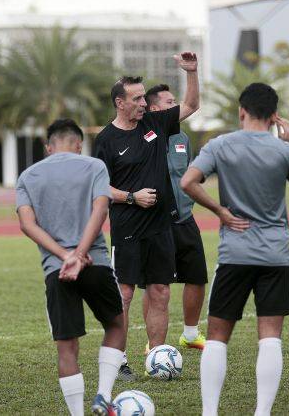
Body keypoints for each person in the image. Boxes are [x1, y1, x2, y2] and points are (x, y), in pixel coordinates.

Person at [181, 83, 289, 416]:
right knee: (270, 336)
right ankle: (262, 413)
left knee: (216, 335)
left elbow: (188, 182)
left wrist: (221, 212)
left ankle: (210, 412)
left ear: (242, 111)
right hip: (275, 255)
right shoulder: (285, 151)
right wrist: (287, 147)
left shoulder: (221, 145)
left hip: (234, 254)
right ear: (273, 116)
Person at [93, 52, 199, 380]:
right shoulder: (106, 140)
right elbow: (99, 186)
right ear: (119, 103)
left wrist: (192, 72)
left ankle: (157, 355)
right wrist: (130, 197)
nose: (143, 102)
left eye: (143, 97)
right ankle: (119, 359)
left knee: (161, 291)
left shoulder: (155, 123)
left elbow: (191, 106)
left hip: (160, 225)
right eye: (137, 98)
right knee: (124, 294)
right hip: (126, 227)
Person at [16, 119, 125, 416]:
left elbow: (27, 224)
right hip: (95, 261)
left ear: (48, 147)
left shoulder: (28, 175)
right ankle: (103, 394)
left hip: (57, 269)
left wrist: (65, 256)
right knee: (116, 325)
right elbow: (100, 210)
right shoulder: (94, 167)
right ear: (79, 144)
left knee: (66, 346)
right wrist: (79, 253)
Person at [142, 83, 207, 350]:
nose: (176, 106)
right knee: (156, 285)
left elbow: (188, 174)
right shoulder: (144, 137)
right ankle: (152, 342)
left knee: (197, 276)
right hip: (156, 222)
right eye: (170, 102)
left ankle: (190, 334)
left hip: (184, 218)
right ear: (155, 109)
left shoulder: (182, 139)